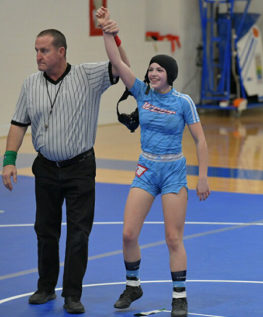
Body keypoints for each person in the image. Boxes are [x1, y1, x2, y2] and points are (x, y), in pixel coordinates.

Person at [1, 26, 129, 314]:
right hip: (45, 169)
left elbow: (122, 67)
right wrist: (8, 159)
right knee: (45, 231)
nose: (38, 56)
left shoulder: (88, 76)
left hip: (80, 169)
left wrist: (113, 36)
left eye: (44, 50)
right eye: (36, 50)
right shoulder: (30, 83)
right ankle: (45, 287)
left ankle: (72, 294)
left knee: (78, 233)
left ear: (61, 51)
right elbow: (18, 123)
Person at [96, 7, 210, 317]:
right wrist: (108, 30)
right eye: (151, 69)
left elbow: (200, 139)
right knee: (128, 233)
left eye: (159, 70)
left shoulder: (183, 102)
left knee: (173, 237)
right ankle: (133, 286)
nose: (153, 73)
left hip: (173, 171)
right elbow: (117, 62)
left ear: (169, 75)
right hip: (146, 169)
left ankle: (179, 296)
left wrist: (202, 177)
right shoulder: (142, 92)